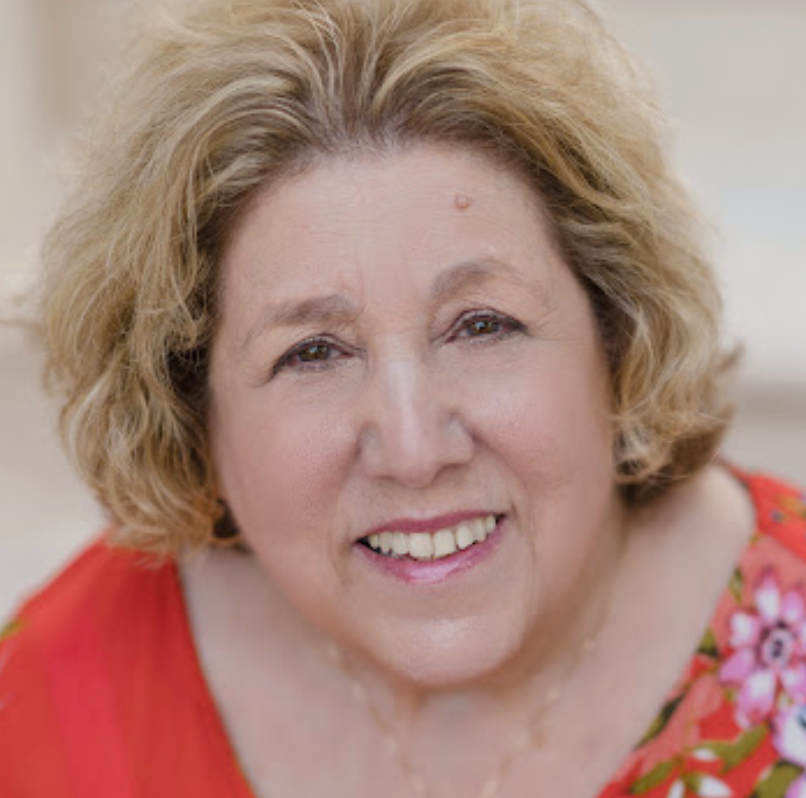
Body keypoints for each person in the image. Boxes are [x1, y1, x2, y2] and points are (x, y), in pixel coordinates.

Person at [1, 0, 805, 795]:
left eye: (482, 326)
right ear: (192, 410)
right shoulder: (46, 704)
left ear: (618, 336)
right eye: (312, 352)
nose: (415, 449)